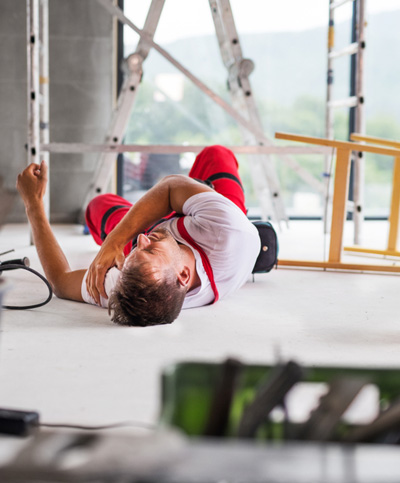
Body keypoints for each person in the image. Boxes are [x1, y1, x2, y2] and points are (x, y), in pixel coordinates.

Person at [16, 145, 260, 327]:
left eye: (135, 254)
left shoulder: (131, 285)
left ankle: (185, 198)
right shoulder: (227, 229)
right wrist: (117, 240)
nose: (142, 240)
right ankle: (197, 192)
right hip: (215, 223)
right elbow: (170, 185)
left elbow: (60, 281)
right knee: (216, 154)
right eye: (149, 251)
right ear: (183, 275)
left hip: (173, 235)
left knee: (97, 206)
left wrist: (33, 203)